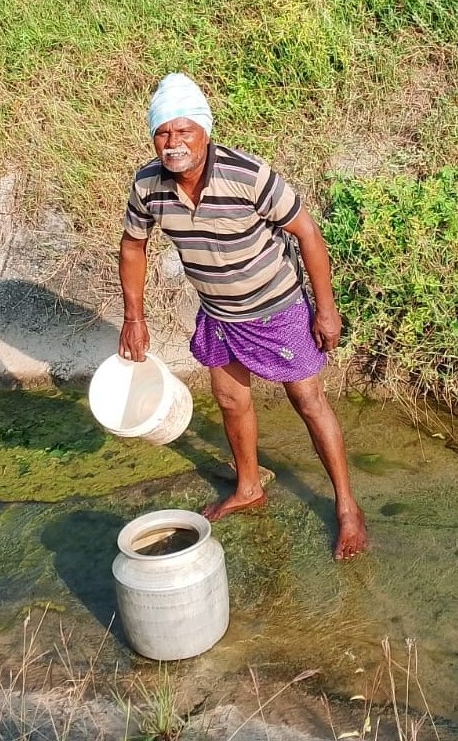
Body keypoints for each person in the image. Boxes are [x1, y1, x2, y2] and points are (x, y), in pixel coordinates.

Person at [117, 72, 369, 561]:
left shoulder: (247, 174)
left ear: (205, 131)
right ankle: (248, 485)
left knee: (308, 401)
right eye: (163, 133)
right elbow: (133, 245)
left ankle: (346, 508)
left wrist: (327, 309)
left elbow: (309, 235)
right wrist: (134, 317)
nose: (174, 143)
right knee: (232, 401)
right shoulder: (148, 186)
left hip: (278, 309)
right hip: (218, 313)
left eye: (184, 130)